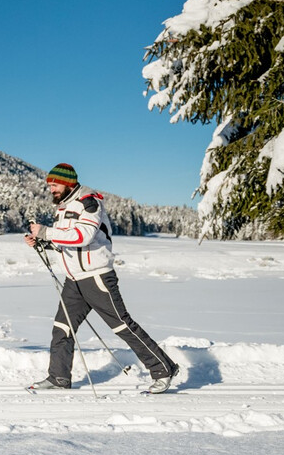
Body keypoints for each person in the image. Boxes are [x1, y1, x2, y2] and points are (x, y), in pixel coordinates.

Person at [25, 163, 180, 394]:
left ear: (68, 183)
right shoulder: (63, 206)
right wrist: (44, 243)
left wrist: (47, 232)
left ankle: (164, 369)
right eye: (49, 185)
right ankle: (58, 377)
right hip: (73, 280)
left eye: (55, 184)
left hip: (96, 278)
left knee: (122, 326)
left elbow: (83, 236)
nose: (51, 189)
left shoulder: (89, 203)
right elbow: (66, 240)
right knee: (61, 328)